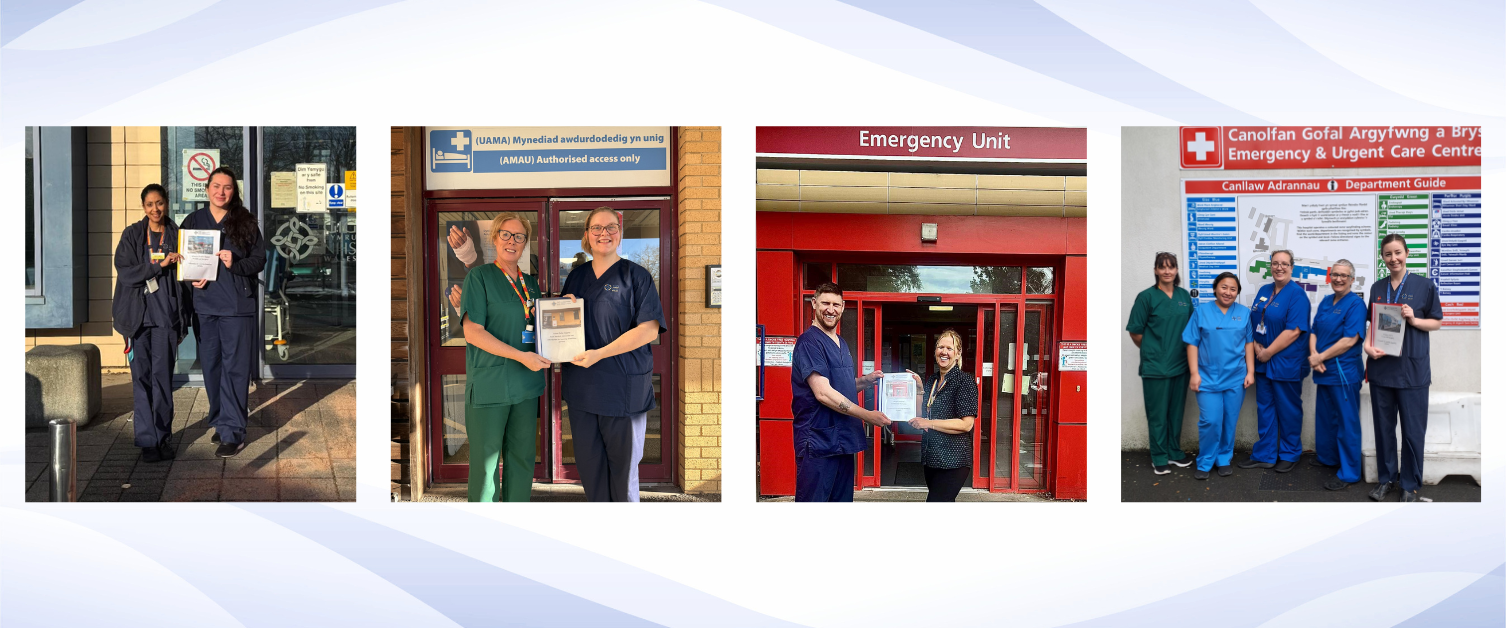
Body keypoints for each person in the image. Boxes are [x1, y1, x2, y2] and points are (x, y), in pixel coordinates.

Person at [560, 207, 667, 502]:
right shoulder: (576, 277)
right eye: (596, 228)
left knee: (622, 475)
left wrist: (600, 353)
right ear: (586, 235)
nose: (603, 233)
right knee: (591, 470)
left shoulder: (637, 276)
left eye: (610, 227)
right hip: (583, 391)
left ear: (620, 234)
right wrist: (565, 310)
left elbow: (648, 330)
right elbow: (569, 326)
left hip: (623, 391)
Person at [459, 213, 549, 502]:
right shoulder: (479, 277)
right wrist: (521, 358)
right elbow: (473, 333)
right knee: (486, 469)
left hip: (526, 386)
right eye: (506, 235)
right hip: (491, 385)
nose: (512, 241)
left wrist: (563, 310)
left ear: (526, 242)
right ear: (495, 238)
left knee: (522, 459)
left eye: (519, 236)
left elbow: (537, 326)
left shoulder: (531, 284)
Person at [179, 167, 265, 457]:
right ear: (207, 188)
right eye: (216, 186)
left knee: (235, 369)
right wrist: (192, 275)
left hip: (236, 308)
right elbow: (184, 259)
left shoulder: (245, 222)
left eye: (227, 187)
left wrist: (235, 262)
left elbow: (259, 260)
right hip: (204, 306)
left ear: (233, 191)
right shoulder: (192, 221)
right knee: (213, 369)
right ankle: (221, 421)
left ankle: (233, 432)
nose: (221, 192)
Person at [790, 283, 890, 501]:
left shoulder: (841, 343)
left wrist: (865, 381)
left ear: (843, 307)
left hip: (843, 441)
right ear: (814, 303)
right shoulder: (809, 342)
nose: (830, 309)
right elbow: (823, 393)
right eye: (825, 303)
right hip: (818, 442)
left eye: (836, 304)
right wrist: (867, 415)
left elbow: (840, 386)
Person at [1363, 234, 1442, 502]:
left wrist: (1414, 319)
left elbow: (1437, 322)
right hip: (1382, 368)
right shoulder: (1377, 287)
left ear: (1406, 253)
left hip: (1412, 370)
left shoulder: (1424, 286)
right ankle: (1386, 479)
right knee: (1383, 429)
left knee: (1412, 431)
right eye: (1388, 254)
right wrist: (1366, 346)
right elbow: (1372, 325)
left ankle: (1409, 484)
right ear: (1382, 257)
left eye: (1398, 252)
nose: (1393, 258)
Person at [112, 183, 186, 463]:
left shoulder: (177, 235)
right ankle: (147, 440)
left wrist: (183, 320)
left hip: (165, 318)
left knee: (163, 380)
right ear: (144, 207)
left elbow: (187, 278)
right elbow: (126, 273)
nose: (155, 209)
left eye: (160, 203)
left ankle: (163, 436)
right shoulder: (132, 235)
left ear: (167, 203)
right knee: (141, 381)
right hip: (136, 320)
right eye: (149, 204)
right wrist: (159, 265)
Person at [1238, 249, 1309, 472]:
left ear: (1291, 267)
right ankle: (1265, 454)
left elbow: (1294, 331)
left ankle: (1290, 453)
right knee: (1265, 408)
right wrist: (1258, 346)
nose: (1279, 267)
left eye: (1284, 264)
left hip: (1285, 362)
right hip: (1262, 362)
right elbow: (1255, 320)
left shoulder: (1297, 294)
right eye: (1275, 263)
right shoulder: (1264, 290)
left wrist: (1268, 352)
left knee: (1288, 409)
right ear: (1271, 266)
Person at [1126, 252, 1196, 474]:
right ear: (1156, 270)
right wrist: (1153, 352)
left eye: (1171, 267)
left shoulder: (1184, 296)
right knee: (1157, 415)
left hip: (1181, 365)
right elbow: (1136, 332)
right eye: (1162, 267)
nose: (1167, 271)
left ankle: (1174, 452)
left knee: (1176, 413)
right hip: (1156, 368)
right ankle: (1159, 456)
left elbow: (1192, 330)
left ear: (1176, 270)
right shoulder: (1146, 297)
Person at [1181, 272, 1255, 479]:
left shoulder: (1244, 313)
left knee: (1229, 421)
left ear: (1237, 292)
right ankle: (1205, 461)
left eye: (1233, 289)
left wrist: (1250, 371)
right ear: (1215, 289)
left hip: (1236, 377)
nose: (1228, 292)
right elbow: (1192, 342)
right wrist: (1194, 373)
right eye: (1224, 287)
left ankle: (1223, 458)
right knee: (1211, 420)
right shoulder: (1201, 312)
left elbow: (1249, 343)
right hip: (1207, 377)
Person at [1308, 259, 1367, 491]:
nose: (1339, 279)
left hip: (1343, 373)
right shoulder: (1325, 301)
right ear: (1329, 277)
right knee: (1326, 419)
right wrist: (1314, 354)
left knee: (1346, 423)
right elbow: (1314, 331)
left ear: (1352, 279)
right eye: (1335, 275)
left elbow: (1350, 340)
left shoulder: (1355, 305)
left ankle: (1350, 473)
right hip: (1323, 370)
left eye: (1344, 275)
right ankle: (1329, 458)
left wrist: (1319, 358)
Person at [904, 330, 977, 502]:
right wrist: (919, 389)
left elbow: (966, 424)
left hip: (954, 461)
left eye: (949, 348)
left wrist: (929, 423)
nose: (944, 352)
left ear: (958, 353)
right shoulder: (933, 380)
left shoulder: (964, 381)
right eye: (940, 347)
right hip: (932, 459)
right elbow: (922, 416)